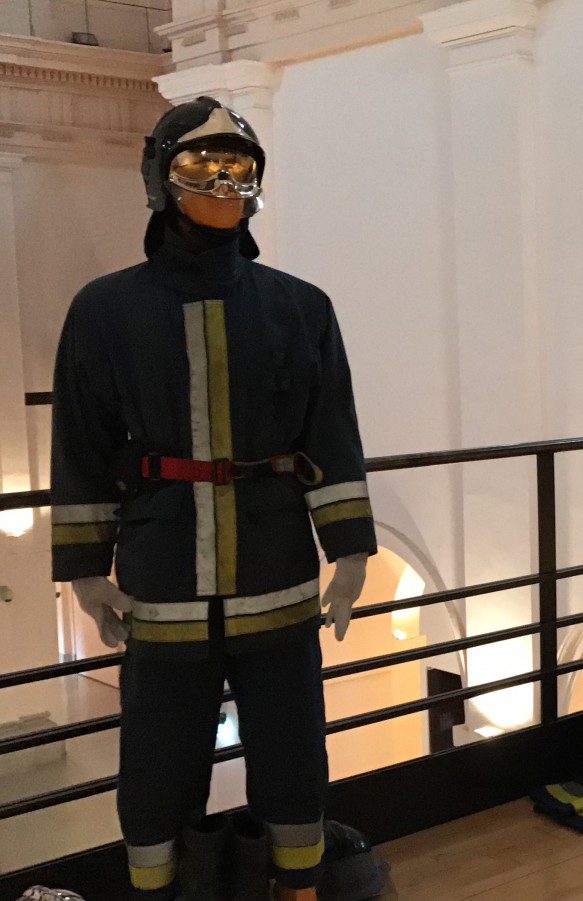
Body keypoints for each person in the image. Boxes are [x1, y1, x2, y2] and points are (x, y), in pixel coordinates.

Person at [49, 96, 375, 901]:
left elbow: (331, 434)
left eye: (239, 165)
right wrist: (86, 570)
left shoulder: (303, 306)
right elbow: (82, 446)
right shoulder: (103, 309)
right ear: (161, 178)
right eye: (201, 164)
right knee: (157, 757)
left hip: (277, 570)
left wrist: (350, 551)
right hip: (161, 576)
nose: (224, 182)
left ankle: (297, 887)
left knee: (293, 751)